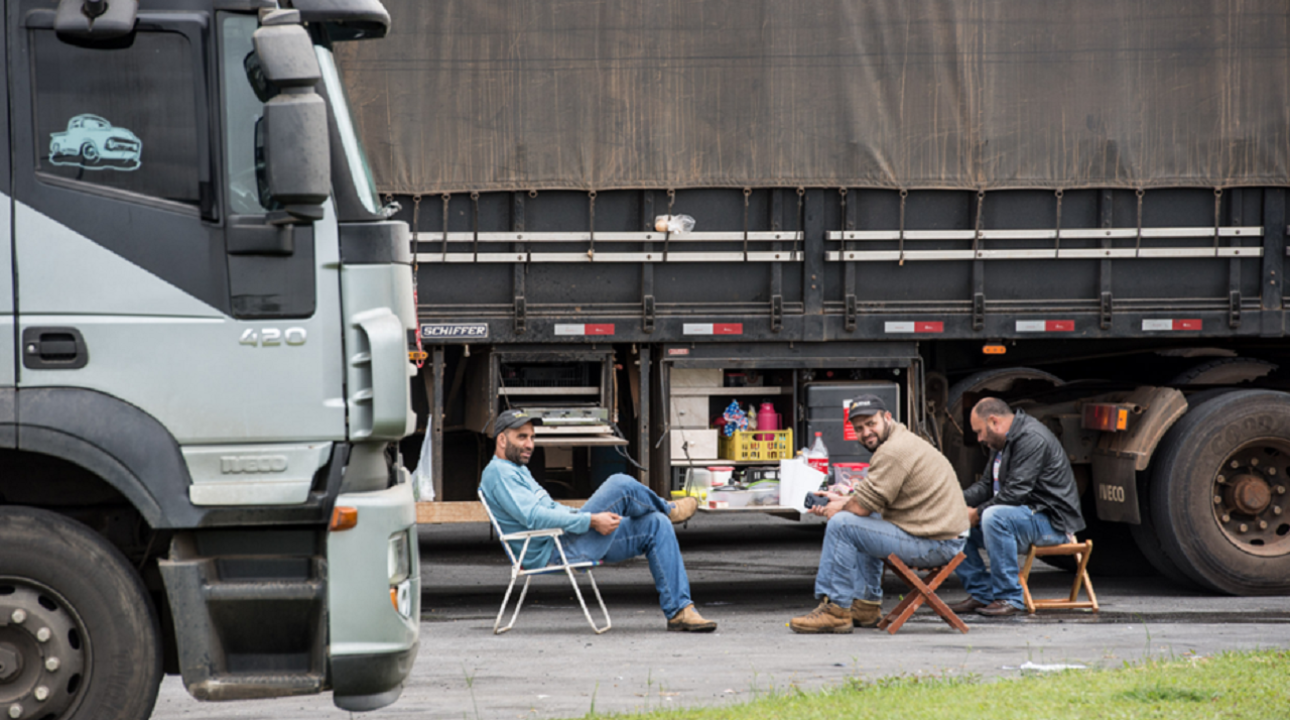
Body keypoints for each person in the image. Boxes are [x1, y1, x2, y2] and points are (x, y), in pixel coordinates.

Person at [479, 409, 717, 632]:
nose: (529, 444)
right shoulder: (499, 473)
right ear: (502, 440)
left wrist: (583, 518)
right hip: (552, 549)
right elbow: (534, 517)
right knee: (619, 484)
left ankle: (680, 611)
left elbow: (550, 508)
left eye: (532, 437)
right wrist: (590, 520)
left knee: (656, 524)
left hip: (562, 540)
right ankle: (668, 508)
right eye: (522, 437)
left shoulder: (517, 469)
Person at [789, 395, 969, 634]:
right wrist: (841, 500)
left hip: (938, 544)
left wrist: (838, 508)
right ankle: (865, 606)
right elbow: (870, 502)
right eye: (859, 428)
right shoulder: (900, 440)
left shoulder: (893, 451)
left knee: (843, 524)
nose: (866, 432)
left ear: (886, 417)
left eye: (871, 423)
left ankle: (836, 610)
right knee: (860, 519)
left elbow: (861, 507)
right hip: (938, 536)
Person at [951, 397, 1086, 617]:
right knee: (952, 521)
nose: (979, 438)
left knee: (994, 516)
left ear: (994, 421)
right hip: (1021, 518)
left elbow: (1014, 493)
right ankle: (981, 594)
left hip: (1052, 523)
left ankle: (1009, 597)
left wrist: (976, 513)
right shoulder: (1001, 442)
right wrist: (951, 502)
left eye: (979, 431)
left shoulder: (1031, 438)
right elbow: (986, 486)